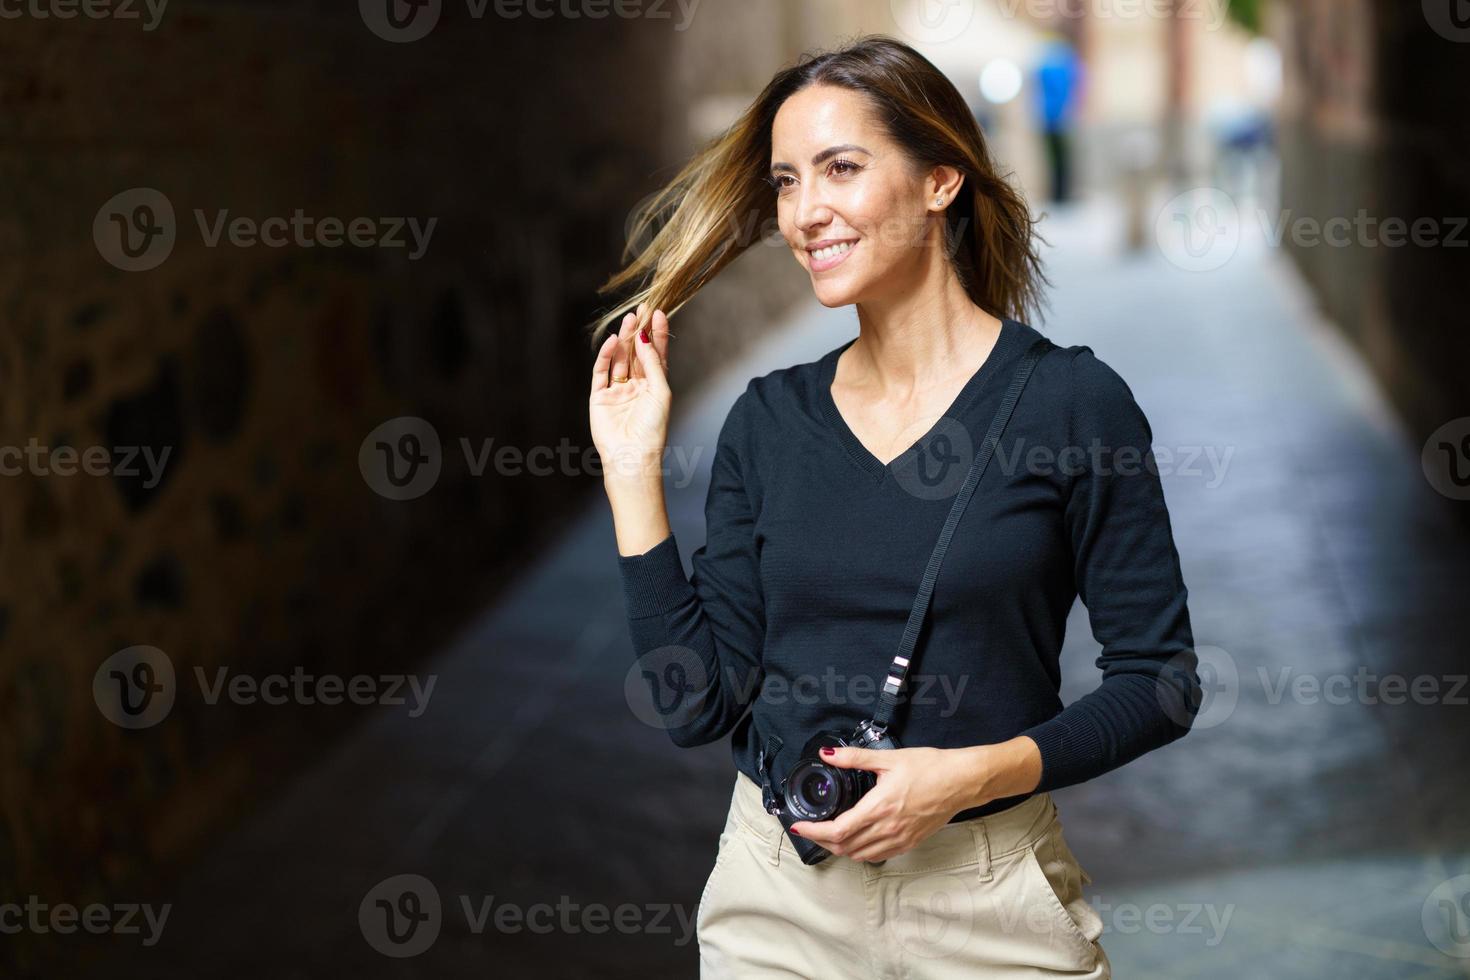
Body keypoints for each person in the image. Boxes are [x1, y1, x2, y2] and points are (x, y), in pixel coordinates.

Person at [587, 35, 1200, 979]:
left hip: (989, 898)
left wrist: (971, 775)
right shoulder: (770, 420)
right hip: (780, 899)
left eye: (840, 168)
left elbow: (1159, 681)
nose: (805, 213)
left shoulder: (1074, 406)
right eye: (787, 182)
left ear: (939, 180)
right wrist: (632, 470)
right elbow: (694, 703)